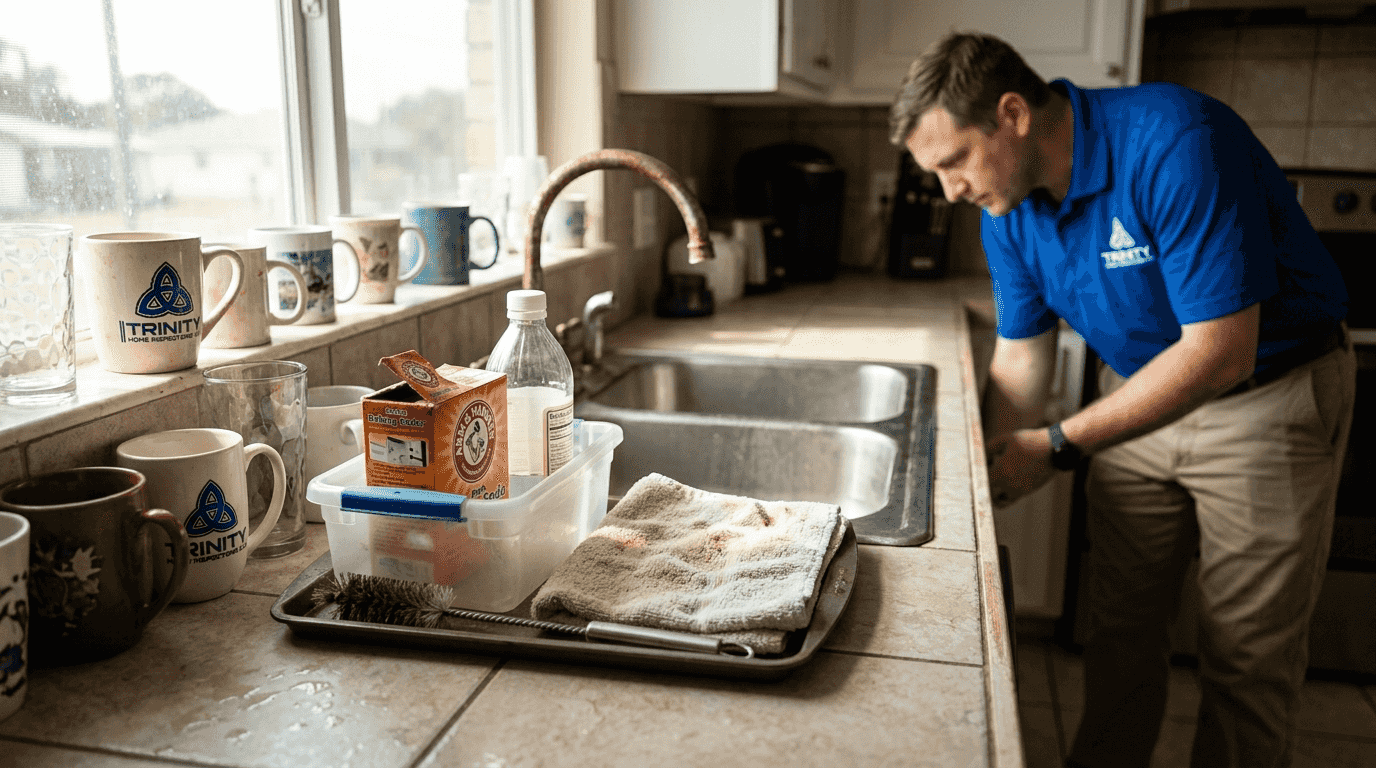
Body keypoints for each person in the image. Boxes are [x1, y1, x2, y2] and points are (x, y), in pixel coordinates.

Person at [889, 32, 1354, 768]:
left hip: (1266, 401)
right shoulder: (1006, 207)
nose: (949, 191)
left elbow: (1219, 353)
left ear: (1011, 113)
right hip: (1135, 401)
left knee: (1245, 660)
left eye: (952, 163)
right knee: (1119, 638)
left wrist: (1058, 444)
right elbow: (1020, 357)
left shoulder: (1176, 141)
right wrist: (986, 481)